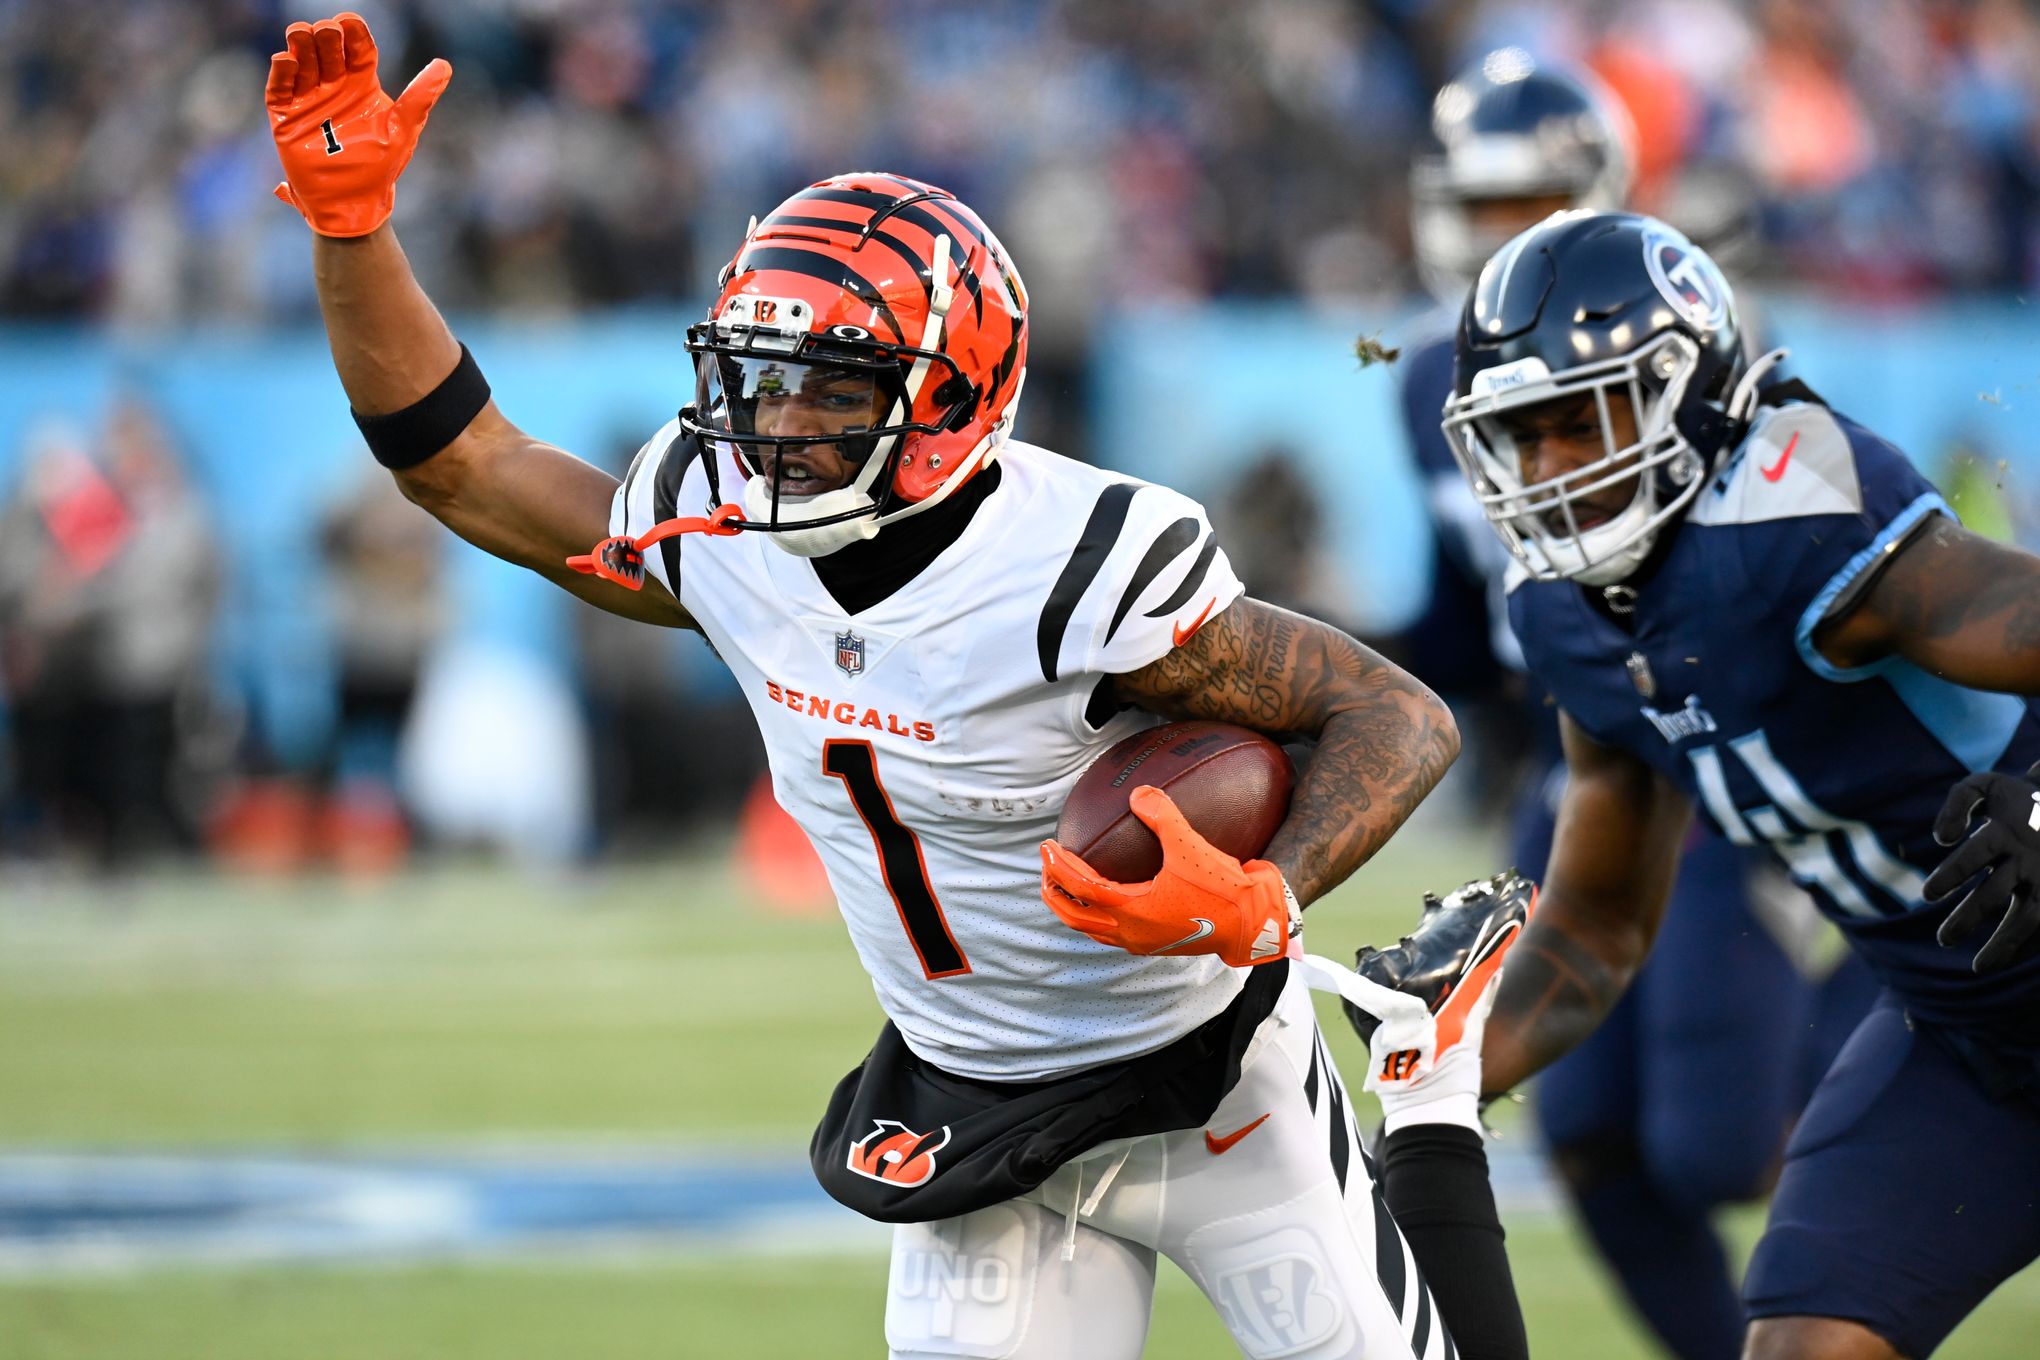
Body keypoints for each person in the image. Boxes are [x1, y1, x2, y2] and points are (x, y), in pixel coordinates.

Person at [264, 15, 1531, 1358]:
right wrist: (352, 229)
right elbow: (458, 463)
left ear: (951, 398)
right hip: (972, 1104)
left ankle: (1427, 1092)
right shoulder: (723, 532)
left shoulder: (1079, 568)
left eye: (828, 390)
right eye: (758, 378)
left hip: (1213, 1082)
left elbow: (1398, 713)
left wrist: (1269, 891)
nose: (775, 427)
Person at [1452, 209, 2040, 1360]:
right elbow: (1598, 926)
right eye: (1523, 437)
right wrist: (1434, 1073)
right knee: (1805, 1344)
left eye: (1582, 421)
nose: (1555, 470)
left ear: (1690, 390)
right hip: (1970, 1040)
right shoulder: (1566, 618)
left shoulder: (1793, 519)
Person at [1383, 52, 1872, 1360]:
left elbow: (1807, 561)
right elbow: (1459, 624)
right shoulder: (1427, 379)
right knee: (1586, 1135)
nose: (1499, 236)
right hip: (1581, 748)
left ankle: (1900, 982)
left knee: (1718, 1151)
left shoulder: (1681, 331)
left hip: (1714, 745)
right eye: (1476, 208)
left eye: (1525, 203)